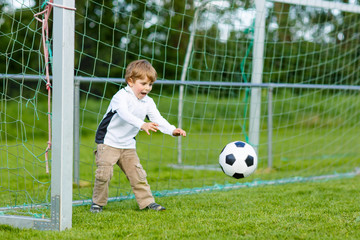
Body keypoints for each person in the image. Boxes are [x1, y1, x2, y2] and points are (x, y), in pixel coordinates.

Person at [90, 59, 186, 213]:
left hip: (128, 144)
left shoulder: (148, 102)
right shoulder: (121, 96)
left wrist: (172, 130)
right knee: (104, 175)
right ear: (131, 81)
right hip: (108, 142)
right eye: (143, 83)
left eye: (150, 84)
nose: (147, 88)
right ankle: (97, 204)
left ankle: (148, 203)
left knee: (138, 175)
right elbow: (124, 114)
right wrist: (142, 124)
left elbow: (158, 119)